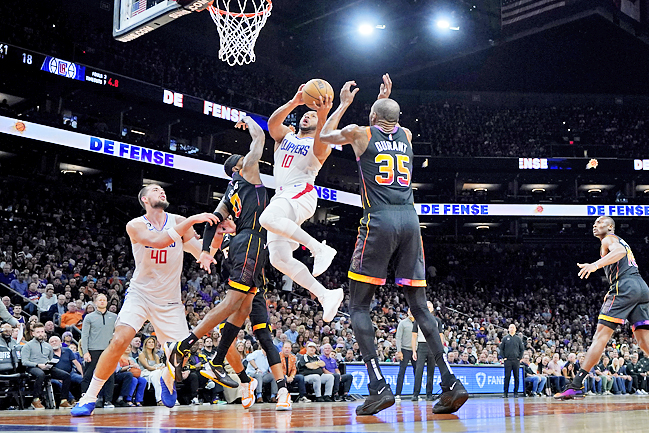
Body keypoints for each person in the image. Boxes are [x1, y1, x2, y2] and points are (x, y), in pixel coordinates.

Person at [318, 74, 468, 416]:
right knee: (420, 307)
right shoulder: (408, 136)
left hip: (379, 220)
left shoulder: (360, 133)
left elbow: (324, 136)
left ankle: (378, 387)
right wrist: (382, 101)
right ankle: (451, 381)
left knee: (358, 307)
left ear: (371, 118)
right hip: (411, 222)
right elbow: (388, 123)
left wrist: (343, 104)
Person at [168, 116, 290, 411]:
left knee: (245, 304)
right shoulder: (248, 173)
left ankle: (219, 360)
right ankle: (185, 344)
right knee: (236, 301)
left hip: (251, 243)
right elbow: (260, 138)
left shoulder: (230, 191)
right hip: (249, 240)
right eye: (247, 160)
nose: (256, 162)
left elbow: (214, 219)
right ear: (241, 166)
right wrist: (248, 120)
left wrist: (208, 250)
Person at [69, 185, 222, 416]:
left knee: (180, 357)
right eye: (155, 189)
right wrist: (191, 220)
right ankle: (89, 397)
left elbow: (201, 251)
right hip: (140, 294)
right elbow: (158, 241)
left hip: (170, 301)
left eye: (162, 189)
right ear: (144, 199)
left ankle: (165, 377)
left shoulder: (178, 221)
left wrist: (219, 233)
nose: (161, 191)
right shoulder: (136, 225)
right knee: (120, 340)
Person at [260, 84, 344, 322]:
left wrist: (325, 114)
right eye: (306, 113)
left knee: (266, 219)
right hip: (283, 195)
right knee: (278, 259)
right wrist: (295, 102)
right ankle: (326, 295)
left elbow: (321, 143)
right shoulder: (284, 136)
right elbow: (272, 125)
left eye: (313, 115)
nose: (308, 115)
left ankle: (319, 248)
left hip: (301, 192)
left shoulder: (319, 144)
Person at [555, 216, 649, 399]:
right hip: (641, 288)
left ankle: (576, 385)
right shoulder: (617, 241)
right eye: (594, 223)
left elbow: (620, 252)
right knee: (645, 342)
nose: (595, 225)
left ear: (610, 227)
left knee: (600, 336)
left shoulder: (610, 239)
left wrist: (595, 265)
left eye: (599, 223)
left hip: (626, 286)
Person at [22, 323, 73, 410]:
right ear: (33, 333)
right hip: (33, 367)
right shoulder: (27, 346)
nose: (40, 334)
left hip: (46, 366)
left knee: (66, 376)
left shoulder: (48, 346)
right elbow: (24, 362)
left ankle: (63, 401)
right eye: (38, 332)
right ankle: (35, 399)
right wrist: (38, 365)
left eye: (42, 331)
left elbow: (50, 358)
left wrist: (49, 364)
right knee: (41, 374)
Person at [79, 293, 117, 408]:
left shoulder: (114, 317)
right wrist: (85, 351)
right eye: (100, 300)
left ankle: (108, 401)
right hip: (93, 350)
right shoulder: (89, 317)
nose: (102, 302)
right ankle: (85, 398)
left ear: (107, 302)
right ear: (95, 302)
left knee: (110, 376)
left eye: (104, 300)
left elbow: (118, 333)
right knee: (88, 375)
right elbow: (84, 335)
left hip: (108, 351)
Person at [411, 302, 443, 401]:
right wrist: (414, 350)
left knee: (431, 371)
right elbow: (414, 336)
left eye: (430, 307)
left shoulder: (437, 320)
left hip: (433, 346)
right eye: (427, 307)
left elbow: (440, 335)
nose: (428, 309)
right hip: (421, 345)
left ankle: (429, 394)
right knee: (418, 371)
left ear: (432, 309)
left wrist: (440, 349)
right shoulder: (418, 320)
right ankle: (415, 394)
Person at [395, 310, 415, 400]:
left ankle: (416, 394)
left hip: (415, 350)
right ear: (408, 312)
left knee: (417, 373)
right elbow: (398, 337)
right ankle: (398, 393)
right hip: (405, 349)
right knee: (401, 372)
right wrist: (399, 351)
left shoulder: (418, 323)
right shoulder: (402, 323)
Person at [500, 324, 524, 398]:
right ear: (508, 329)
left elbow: (522, 349)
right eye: (510, 327)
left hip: (516, 360)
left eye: (513, 328)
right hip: (508, 360)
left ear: (515, 329)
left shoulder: (518, 339)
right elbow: (501, 349)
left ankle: (516, 392)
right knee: (507, 377)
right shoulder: (505, 338)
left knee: (516, 377)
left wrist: (519, 358)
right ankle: (505, 393)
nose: (512, 329)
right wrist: (504, 357)